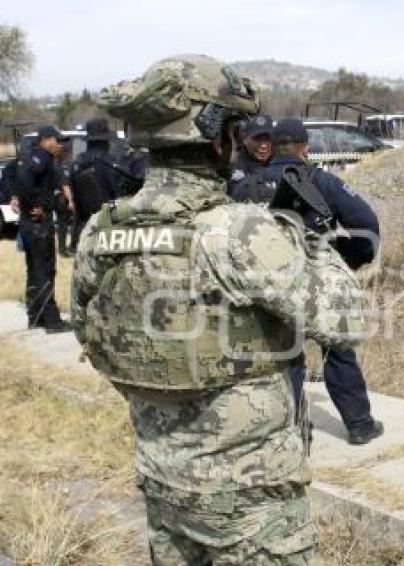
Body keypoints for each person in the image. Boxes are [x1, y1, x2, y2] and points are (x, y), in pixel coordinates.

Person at [71, 55, 368, 564]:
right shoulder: (239, 232)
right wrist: (309, 240)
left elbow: (93, 335)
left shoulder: (102, 232)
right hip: (253, 510)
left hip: (163, 488)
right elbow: (346, 322)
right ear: (219, 137)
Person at [236, 118, 384, 446]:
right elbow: (366, 224)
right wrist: (349, 257)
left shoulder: (243, 186)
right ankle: (359, 424)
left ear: (272, 147)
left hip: (269, 285)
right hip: (319, 282)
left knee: (285, 356)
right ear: (305, 148)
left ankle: (295, 433)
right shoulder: (320, 180)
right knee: (337, 349)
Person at [12, 125, 72, 332]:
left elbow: (14, 176)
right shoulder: (40, 158)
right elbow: (24, 180)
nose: (60, 145)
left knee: (35, 271)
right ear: (45, 140)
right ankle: (52, 321)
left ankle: (36, 317)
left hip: (31, 225)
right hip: (38, 225)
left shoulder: (32, 156)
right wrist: (36, 205)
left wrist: (18, 198)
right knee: (45, 271)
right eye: (57, 140)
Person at [69, 118, 122, 252]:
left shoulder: (77, 164)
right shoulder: (112, 164)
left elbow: (73, 197)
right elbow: (119, 195)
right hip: (108, 228)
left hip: (83, 227)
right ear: (106, 141)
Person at [227, 114, 274, 197]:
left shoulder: (279, 158)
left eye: (267, 139)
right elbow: (235, 193)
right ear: (246, 140)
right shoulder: (239, 164)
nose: (263, 145)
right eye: (257, 139)